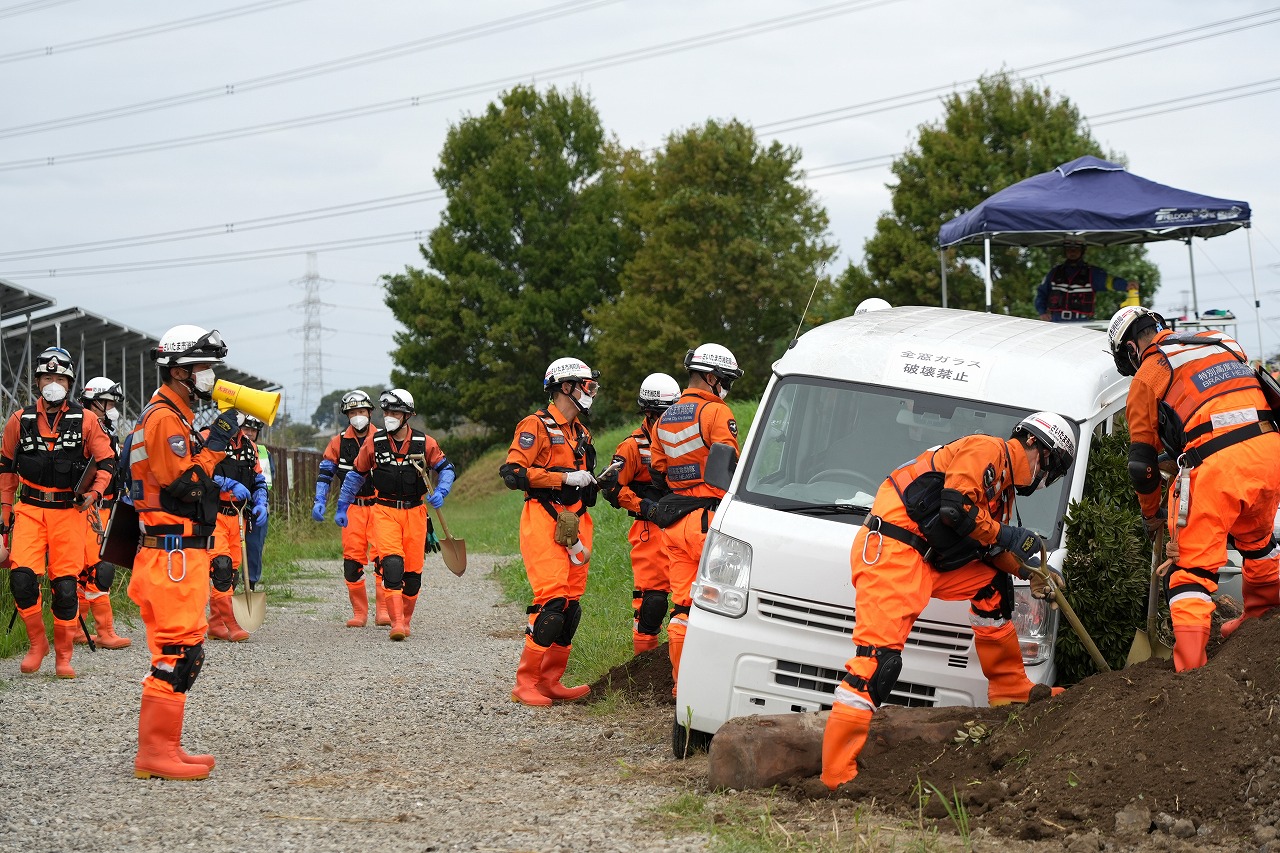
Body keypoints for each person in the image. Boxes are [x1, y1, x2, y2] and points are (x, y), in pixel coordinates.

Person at [820, 412, 1076, 789]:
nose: (1043, 481)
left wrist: (1031, 571)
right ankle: (836, 774)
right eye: (1050, 471)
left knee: (993, 585)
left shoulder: (1002, 491)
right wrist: (1009, 535)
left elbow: (990, 547)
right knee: (878, 663)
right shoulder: (987, 450)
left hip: (927, 560)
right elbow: (955, 509)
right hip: (892, 551)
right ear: (1041, 449)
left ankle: (1010, 690)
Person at [1107, 306, 1280, 671]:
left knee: (1190, 571)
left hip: (1218, 468)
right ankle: (1261, 623)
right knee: (1257, 542)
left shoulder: (1147, 375)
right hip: (1268, 451)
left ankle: (1191, 671)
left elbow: (1141, 466)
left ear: (1130, 350)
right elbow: (1221, 405)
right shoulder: (1221, 341)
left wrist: (1152, 514)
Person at [126, 325, 240, 780]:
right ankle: (154, 753)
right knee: (178, 653)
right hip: (170, 553)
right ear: (178, 371)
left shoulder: (176, 415)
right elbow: (186, 484)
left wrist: (209, 446)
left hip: (178, 551)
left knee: (182, 651)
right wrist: (215, 447)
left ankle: (166, 747)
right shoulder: (164, 419)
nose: (210, 375)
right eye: (203, 367)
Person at [1, 348, 117, 678]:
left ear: (70, 383)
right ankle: (37, 644)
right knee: (22, 579)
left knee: (66, 587)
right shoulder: (18, 420)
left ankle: (64, 656)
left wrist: (94, 493)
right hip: (30, 509)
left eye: (61, 378)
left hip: (69, 512)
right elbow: (5, 467)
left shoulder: (87, 420)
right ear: (38, 381)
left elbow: (107, 462)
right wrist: (5, 512)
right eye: (48, 377)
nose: (54, 383)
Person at [498, 357, 601, 706]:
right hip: (543, 518)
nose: (591, 392)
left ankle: (550, 681)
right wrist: (563, 478)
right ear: (565, 387)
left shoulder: (582, 432)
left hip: (576, 521)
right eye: (586, 386)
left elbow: (583, 477)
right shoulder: (535, 425)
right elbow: (514, 473)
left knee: (570, 607)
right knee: (552, 601)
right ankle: (525, 682)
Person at [649, 343, 743, 694]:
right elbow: (729, 465)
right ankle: (713, 687)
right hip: (708, 522)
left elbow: (658, 471)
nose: (726, 387)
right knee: (721, 604)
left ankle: (681, 686)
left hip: (675, 524)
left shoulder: (664, 418)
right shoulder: (717, 412)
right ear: (712, 377)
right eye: (726, 380)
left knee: (682, 607)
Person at [334, 389, 454, 641]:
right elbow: (356, 475)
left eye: (395, 412)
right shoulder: (374, 443)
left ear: (407, 415)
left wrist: (442, 490)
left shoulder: (425, 443)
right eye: (387, 411)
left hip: (415, 513)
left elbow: (446, 469)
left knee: (412, 575)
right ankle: (396, 622)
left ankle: (406, 620)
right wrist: (343, 505)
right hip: (385, 511)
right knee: (391, 564)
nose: (389, 416)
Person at [598, 373, 680, 655]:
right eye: (664, 414)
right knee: (652, 602)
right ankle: (644, 665)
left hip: (685, 525)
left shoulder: (684, 441)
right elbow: (611, 487)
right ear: (649, 412)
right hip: (649, 528)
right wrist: (644, 506)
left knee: (690, 602)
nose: (669, 420)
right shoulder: (632, 446)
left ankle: (681, 664)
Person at [314, 390, 385, 627]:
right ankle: (359, 613)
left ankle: (384, 611)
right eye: (353, 412)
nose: (358, 416)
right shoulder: (338, 442)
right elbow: (325, 473)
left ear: (370, 412)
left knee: (384, 559)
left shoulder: (383, 439)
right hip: (352, 508)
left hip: (380, 506)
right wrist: (320, 500)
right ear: (347, 415)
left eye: (361, 411)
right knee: (352, 561)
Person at [73, 376, 132, 649]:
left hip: (107, 508)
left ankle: (76, 629)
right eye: (108, 403)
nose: (112, 409)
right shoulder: (83, 430)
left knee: (87, 571)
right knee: (99, 569)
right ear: (93, 402)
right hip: (90, 509)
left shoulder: (107, 431)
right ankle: (104, 632)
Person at [201, 407, 267, 642]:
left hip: (238, 516)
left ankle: (216, 624)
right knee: (221, 566)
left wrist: (261, 501)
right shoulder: (208, 436)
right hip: (214, 514)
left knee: (233, 572)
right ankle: (231, 623)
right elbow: (198, 470)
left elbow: (258, 478)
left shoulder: (249, 447)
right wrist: (227, 483)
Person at [1035, 239, 1140, 322]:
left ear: (1083, 250)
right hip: (1056, 320)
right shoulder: (1054, 272)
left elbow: (1110, 282)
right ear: (1065, 251)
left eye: (1076, 248)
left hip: (1080, 322)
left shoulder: (1091, 273)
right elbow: (1041, 293)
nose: (1072, 251)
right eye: (1069, 248)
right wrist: (1042, 312)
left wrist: (1126, 285)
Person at [244, 416, 271, 591]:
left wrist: (262, 503)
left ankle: (251, 584)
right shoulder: (230, 448)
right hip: (235, 503)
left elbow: (267, 481)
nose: (250, 433)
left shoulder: (263, 452)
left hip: (258, 505)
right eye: (246, 429)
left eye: (253, 430)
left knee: (254, 547)